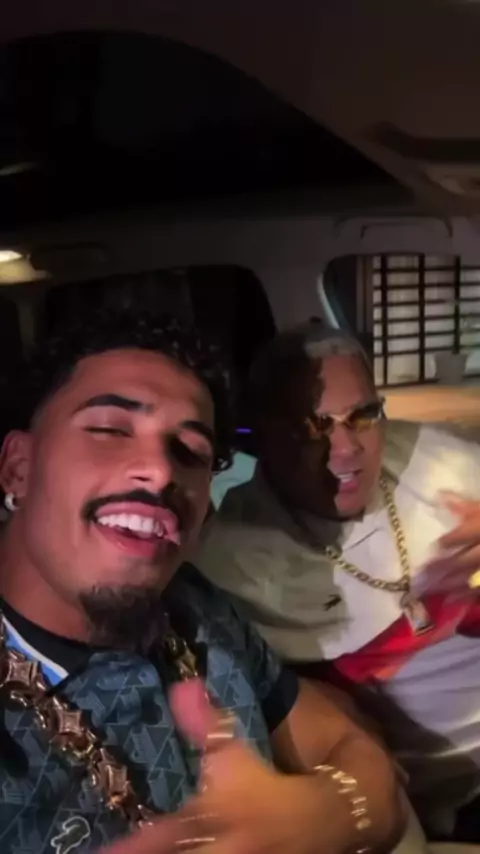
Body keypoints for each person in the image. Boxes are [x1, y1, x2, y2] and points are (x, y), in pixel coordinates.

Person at [0, 309, 404, 854]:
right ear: (19, 468)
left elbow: (359, 759)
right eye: (110, 430)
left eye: (190, 451)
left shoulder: (194, 607)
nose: (161, 471)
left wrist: (321, 817)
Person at [196, 322, 480, 843]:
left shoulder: (444, 461)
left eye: (362, 416)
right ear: (261, 435)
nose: (344, 449)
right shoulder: (228, 565)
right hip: (438, 801)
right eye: (311, 425)